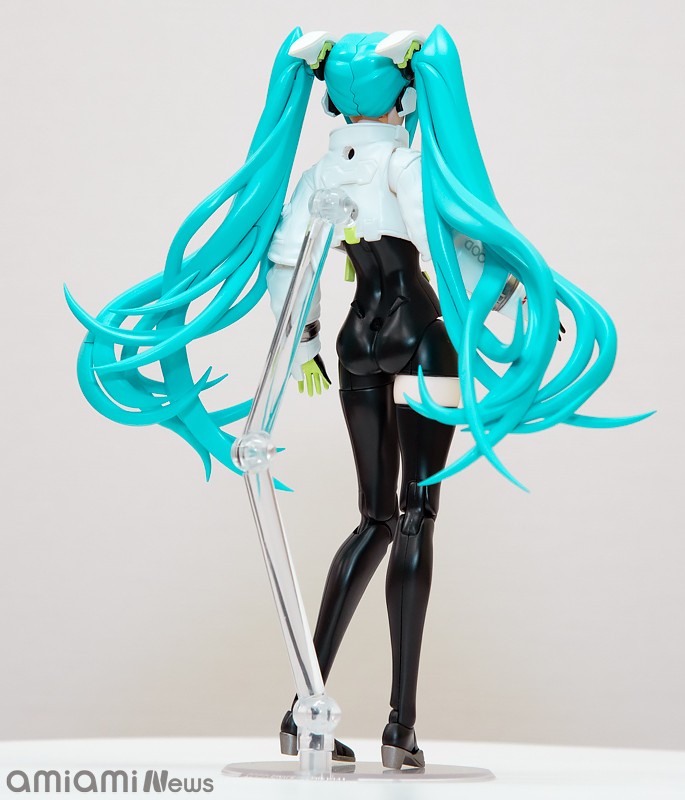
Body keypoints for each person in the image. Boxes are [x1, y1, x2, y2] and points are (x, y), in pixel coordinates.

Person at [66, 26, 648, 770]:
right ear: (405, 96)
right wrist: (515, 305)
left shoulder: (319, 174)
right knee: (415, 515)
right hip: (420, 336)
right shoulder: (406, 164)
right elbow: (449, 248)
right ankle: (400, 726)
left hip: (357, 342)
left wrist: (306, 344)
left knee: (373, 518)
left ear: (335, 100)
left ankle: (300, 706)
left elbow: (288, 262)